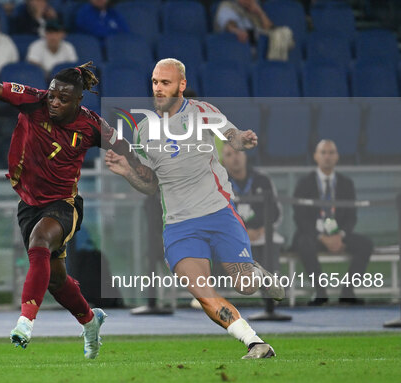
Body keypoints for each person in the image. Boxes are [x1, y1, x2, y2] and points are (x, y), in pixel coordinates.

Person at [0, 61, 143, 358]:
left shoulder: (91, 125)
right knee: (57, 280)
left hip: (64, 205)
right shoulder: (34, 102)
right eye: (52, 95)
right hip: (29, 203)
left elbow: (124, 145)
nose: (55, 103)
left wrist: (141, 167)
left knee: (39, 242)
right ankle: (90, 321)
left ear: (78, 100)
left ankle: (25, 322)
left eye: (63, 98)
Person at [104, 58, 284, 359]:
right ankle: (256, 343)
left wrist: (242, 140)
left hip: (218, 212)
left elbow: (232, 137)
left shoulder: (203, 112)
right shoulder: (144, 130)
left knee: (245, 285)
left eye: (165, 83)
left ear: (181, 85)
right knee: (202, 292)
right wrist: (127, 172)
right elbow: (151, 185)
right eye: (155, 82)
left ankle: (259, 275)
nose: (158, 89)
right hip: (179, 225)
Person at [292, 139, 373, 306]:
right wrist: (321, 237)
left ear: (337, 157)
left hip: (339, 234)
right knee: (303, 243)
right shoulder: (304, 183)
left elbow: (352, 216)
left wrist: (340, 236)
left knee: (365, 244)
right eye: (323, 153)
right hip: (313, 236)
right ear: (315, 156)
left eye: (331, 153)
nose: (327, 157)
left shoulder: (346, 184)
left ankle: (348, 291)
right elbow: (300, 217)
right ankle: (320, 292)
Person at [223, 143, 283, 274]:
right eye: (229, 154)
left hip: (262, 235)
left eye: (238, 152)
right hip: (234, 238)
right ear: (223, 161)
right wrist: (242, 233)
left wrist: (263, 229)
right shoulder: (220, 183)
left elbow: (276, 212)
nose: (235, 157)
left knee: (269, 246)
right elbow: (219, 218)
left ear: (244, 155)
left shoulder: (263, 179)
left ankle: (271, 287)